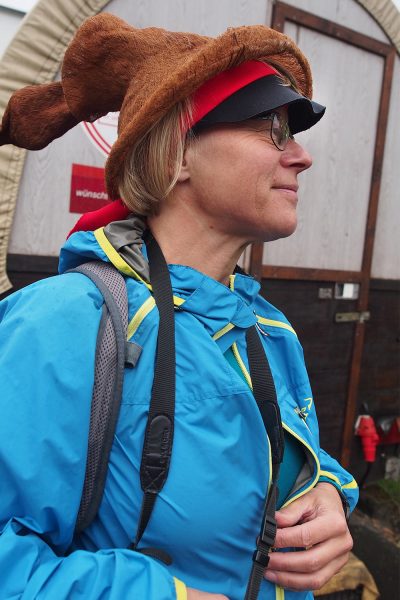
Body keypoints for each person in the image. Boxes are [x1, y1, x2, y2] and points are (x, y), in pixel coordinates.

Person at [0, 13, 358, 600]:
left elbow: (290, 457)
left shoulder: (268, 329)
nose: (302, 157)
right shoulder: (62, 323)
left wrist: (330, 495)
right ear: (177, 154)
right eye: (272, 129)